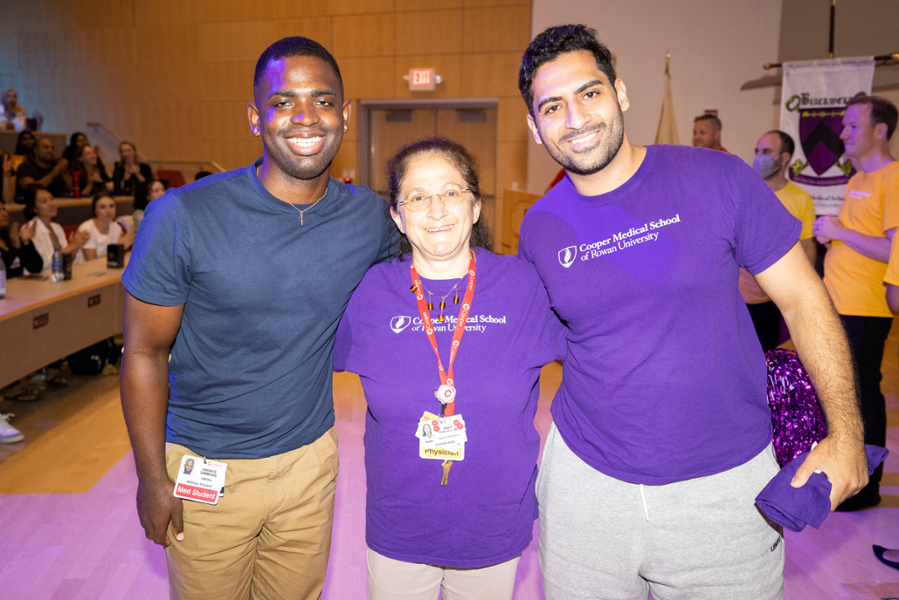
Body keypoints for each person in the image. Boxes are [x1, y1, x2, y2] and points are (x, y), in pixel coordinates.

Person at [517, 24, 867, 600]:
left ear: (621, 93)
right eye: (553, 106)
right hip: (586, 489)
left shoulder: (717, 178)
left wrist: (846, 435)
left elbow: (804, 298)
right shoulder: (539, 227)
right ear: (535, 127)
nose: (575, 118)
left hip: (725, 489)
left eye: (590, 93)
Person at [120, 36, 398, 600]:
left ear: (344, 115)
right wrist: (152, 478)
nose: (305, 117)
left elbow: (433, 267)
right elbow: (144, 352)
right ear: (255, 118)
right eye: (282, 102)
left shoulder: (368, 217)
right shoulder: (183, 216)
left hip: (310, 465)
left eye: (322, 101)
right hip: (206, 470)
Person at [334, 138, 565, 600]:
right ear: (398, 217)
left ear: (476, 206)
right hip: (400, 523)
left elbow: (596, 355)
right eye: (417, 197)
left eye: (451, 192)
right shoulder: (369, 292)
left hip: (493, 522)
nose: (436, 209)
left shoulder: (522, 286)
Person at [814, 95, 898, 511]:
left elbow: (893, 250)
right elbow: (863, 236)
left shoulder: (893, 177)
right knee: (842, 393)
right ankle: (846, 473)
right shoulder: (857, 178)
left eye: (853, 126)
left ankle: (866, 487)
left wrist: (841, 234)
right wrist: (837, 233)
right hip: (840, 303)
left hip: (866, 308)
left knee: (862, 396)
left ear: (880, 131)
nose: (843, 134)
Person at [740, 130, 817, 351]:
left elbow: (807, 249)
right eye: (757, 151)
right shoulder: (745, 191)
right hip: (734, 298)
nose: (759, 157)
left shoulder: (801, 199)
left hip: (771, 298)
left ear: (784, 158)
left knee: (765, 357)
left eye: (766, 151)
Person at [23, 185, 89, 271]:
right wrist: (70, 247)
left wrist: (75, 247)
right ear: (34, 208)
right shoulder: (29, 229)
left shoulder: (56, 227)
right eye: (44, 201)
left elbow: (68, 260)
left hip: (60, 275)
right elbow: (43, 265)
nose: (51, 204)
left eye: (52, 198)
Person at [75, 191, 134, 262]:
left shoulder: (116, 227)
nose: (108, 210)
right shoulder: (87, 229)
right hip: (84, 270)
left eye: (111, 206)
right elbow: (91, 262)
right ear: (95, 210)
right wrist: (118, 248)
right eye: (103, 207)